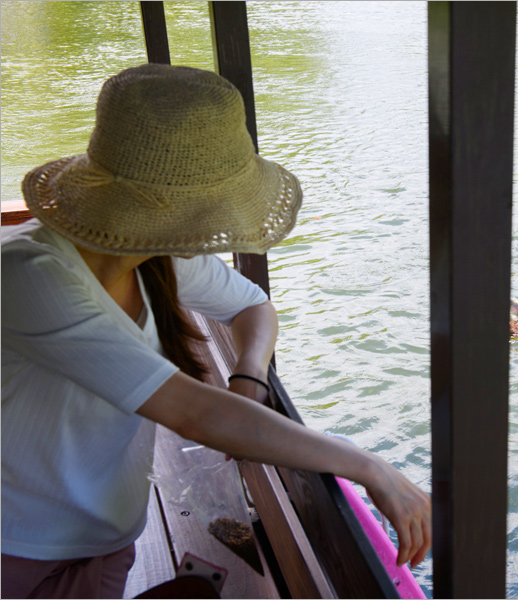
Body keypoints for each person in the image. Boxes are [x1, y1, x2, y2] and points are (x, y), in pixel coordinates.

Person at [1, 63, 431, 599]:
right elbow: (193, 412)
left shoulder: (153, 255)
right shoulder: (26, 274)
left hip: (109, 539)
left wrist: (249, 374)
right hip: (19, 548)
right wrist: (366, 464)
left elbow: (254, 307)